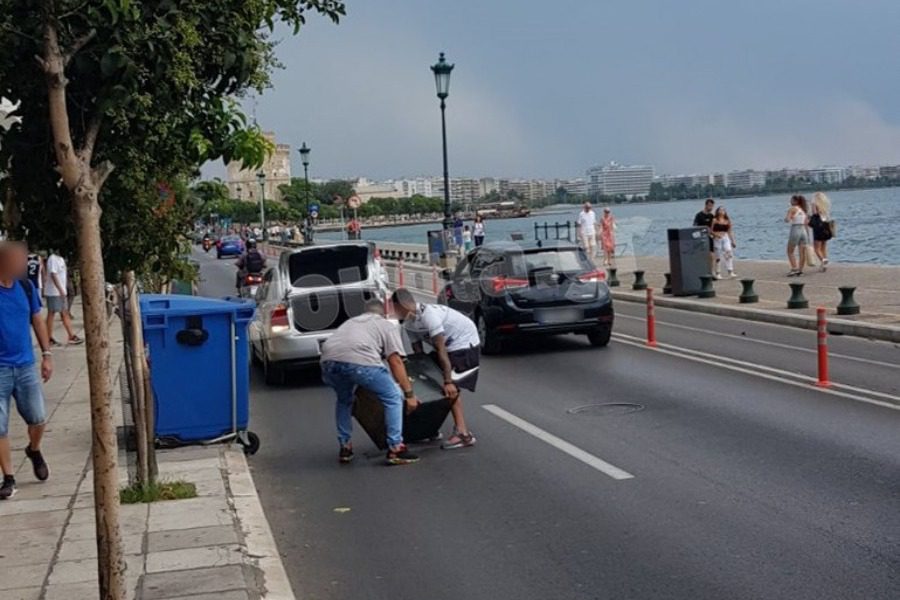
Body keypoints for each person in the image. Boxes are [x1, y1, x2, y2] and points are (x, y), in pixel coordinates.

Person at [320, 300, 420, 465]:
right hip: (359, 362)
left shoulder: (350, 323)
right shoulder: (385, 325)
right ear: (383, 313)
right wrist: (409, 394)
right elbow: (395, 361)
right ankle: (396, 448)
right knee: (393, 397)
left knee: (345, 400)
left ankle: (345, 446)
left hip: (328, 362)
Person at [391, 288, 478, 450]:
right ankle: (428, 429)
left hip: (463, 342)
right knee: (429, 385)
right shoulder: (409, 324)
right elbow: (420, 357)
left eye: (395, 308)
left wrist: (448, 380)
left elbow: (441, 349)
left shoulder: (429, 316)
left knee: (451, 389)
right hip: (447, 347)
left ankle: (463, 433)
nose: (394, 312)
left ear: (401, 305)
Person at [0, 241, 54, 499]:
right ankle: (8, 478)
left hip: (24, 366)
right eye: (18, 261)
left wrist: (46, 354)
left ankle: (34, 449)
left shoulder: (25, 287)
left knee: (38, 418)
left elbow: (37, 320)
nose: (23, 265)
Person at [44, 250, 82, 346]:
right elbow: (53, 274)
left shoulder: (61, 259)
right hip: (54, 292)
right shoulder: (52, 259)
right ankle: (48, 337)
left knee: (64, 313)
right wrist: (60, 289)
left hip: (60, 292)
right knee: (52, 313)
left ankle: (71, 335)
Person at [785, 194, 810, 277]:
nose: (790, 201)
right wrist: (808, 236)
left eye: (791, 200)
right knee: (802, 252)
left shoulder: (792, 209)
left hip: (795, 228)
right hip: (803, 230)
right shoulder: (803, 210)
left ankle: (794, 268)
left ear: (795, 201)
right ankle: (800, 270)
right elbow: (806, 223)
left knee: (790, 251)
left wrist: (789, 217)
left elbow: (787, 219)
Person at [809, 192, 833, 272]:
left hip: (818, 228)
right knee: (823, 247)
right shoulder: (825, 207)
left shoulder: (814, 204)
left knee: (817, 248)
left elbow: (814, 214)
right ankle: (824, 264)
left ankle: (823, 260)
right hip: (826, 227)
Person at [711, 206, 737, 279]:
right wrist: (716, 234)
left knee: (728, 252)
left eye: (723, 210)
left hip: (725, 237)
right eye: (720, 210)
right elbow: (710, 230)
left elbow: (729, 231)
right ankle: (718, 272)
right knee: (718, 255)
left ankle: (730, 270)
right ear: (717, 211)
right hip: (717, 237)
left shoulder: (727, 220)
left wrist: (732, 241)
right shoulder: (714, 220)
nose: (722, 211)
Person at [693, 198, 716, 274]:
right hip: (701, 237)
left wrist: (715, 234)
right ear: (706, 205)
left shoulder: (712, 216)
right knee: (702, 255)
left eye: (712, 206)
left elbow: (713, 227)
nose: (711, 207)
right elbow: (694, 226)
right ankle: (701, 270)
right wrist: (704, 229)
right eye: (709, 206)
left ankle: (710, 271)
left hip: (709, 237)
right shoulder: (699, 215)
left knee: (711, 255)